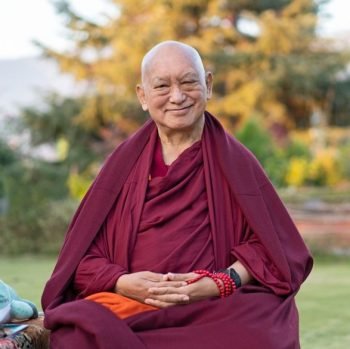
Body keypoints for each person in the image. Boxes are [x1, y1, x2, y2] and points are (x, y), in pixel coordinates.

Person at [42, 41, 313, 349]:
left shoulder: (236, 162)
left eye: (188, 82)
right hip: (133, 304)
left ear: (208, 85)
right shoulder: (122, 167)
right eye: (161, 86)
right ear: (142, 96)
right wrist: (122, 282)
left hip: (214, 306)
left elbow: (276, 249)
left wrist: (220, 283)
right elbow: (82, 259)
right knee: (76, 334)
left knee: (262, 330)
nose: (177, 96)